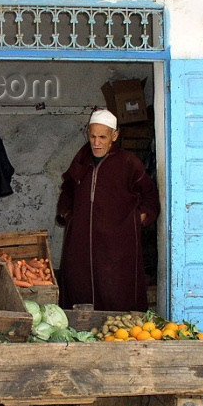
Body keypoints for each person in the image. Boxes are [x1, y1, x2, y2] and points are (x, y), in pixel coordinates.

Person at [55, 109, 160, 312]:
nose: (96, 143)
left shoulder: (128, 163)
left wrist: (140, 218)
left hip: (118, 243)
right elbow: (68, 189)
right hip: (81, 241)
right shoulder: (81, 160)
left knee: (117, 290)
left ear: (114, 136)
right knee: (79, 286)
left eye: (102, 137)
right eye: (93, 136)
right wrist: (67, 214)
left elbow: (150, 194)